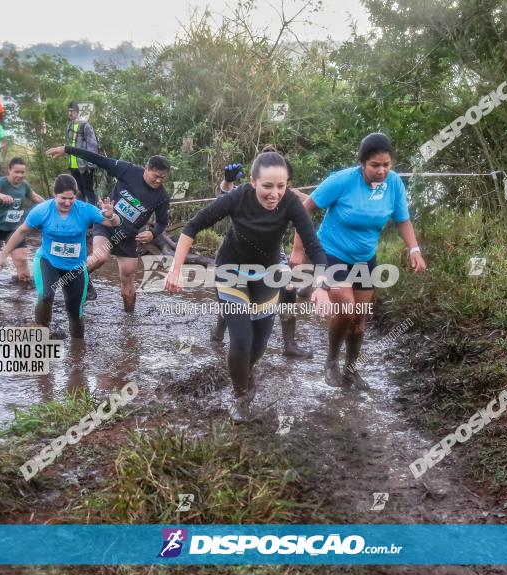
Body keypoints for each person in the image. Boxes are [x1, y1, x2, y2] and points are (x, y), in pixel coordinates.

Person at [165, 148, 332, 422]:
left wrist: (323, 286)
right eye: (267, 186)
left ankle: (245, 372)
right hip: (231, 271)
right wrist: (176, 270)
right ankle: (241, 396)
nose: (274, 193)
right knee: (241, 342)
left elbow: (314, 245)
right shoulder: (237, 197)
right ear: (253, 182)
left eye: (281, 186)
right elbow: (192, 227)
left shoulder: (290, 203)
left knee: (258, 347)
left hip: (266, 276)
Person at [291, 133, 427, 391]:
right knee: (347, 308)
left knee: (360, 317)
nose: (382, 171)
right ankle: (331, 361)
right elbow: (303, 210)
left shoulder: (394, 184)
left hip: (365, 257)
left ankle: (351, 369)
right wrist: (298, 250)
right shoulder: (341, 181)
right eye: (375, 165)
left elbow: (402, 219)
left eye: (387, 165)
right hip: (332, 252)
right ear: (362, 163)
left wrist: (414, 249)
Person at [0, 174, 121, 339]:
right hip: (48, 261)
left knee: (75, 311)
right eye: (62, 199)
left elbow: (114, 223)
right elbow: (21, 231)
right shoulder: (42, 210)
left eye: (71, 198)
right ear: (54, 194)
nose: (67, 203)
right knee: (46, 296)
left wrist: (111, 215)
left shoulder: (85, 210)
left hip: (76, 267)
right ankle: (41, 334)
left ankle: (77, 353)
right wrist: (3, 255)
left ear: (76, 195)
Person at [45, 145, 170, 311]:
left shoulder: (162, 197)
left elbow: (162, 222)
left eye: (163, 178)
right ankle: (74, 280)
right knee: (99, 257)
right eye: (156, 176)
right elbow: (98, 159)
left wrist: (152, 233)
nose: (159, 181)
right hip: (106, 223)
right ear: (146, 168)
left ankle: (129, 319)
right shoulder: (127, 170)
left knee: (128, 277)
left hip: (127, 236)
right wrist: (67, 149)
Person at [212, 156, 314, 358]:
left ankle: (289, 343)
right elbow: (224, 195)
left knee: (288, 289)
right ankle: (219, 331)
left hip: (273, 254)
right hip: (239, 254)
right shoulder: (251, 192)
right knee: (236, 296)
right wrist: (227, 181)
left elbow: (316, 202)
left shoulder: (287, 195)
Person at [0, 157, 44, 283]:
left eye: (22, 172)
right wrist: (1, 195)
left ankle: (23, 292)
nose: (20, 175)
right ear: (9, 170)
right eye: (17, 172)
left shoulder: (25, 185)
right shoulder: (2, 182)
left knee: (21, 260)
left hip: (15, 230)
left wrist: (50, 204)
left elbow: (33, 196)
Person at [64, 102, 99, 205]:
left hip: (85, 165)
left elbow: (92, 144)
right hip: (73, 165)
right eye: (68, 111)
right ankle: (81, 216)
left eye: (72, 111)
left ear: (78, 112)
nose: (70, 113)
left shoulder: (85, 125)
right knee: (78, 193)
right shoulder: (70, 125)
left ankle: (93, 215)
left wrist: (91, 164)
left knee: (88, 191)